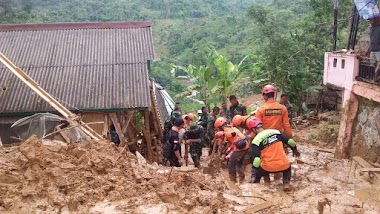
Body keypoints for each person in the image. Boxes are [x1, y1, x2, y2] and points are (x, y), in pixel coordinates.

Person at [247, 117, 300, 191]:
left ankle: (262, 183)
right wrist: (295, 150)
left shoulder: (256, 141)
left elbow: (256, 160)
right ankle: (286, 183)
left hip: (268, 168)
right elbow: (291, 142)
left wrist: (254, 174)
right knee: (288, 166)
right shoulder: (276, 132)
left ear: (253, 129)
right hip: (283, 166)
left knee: (260, 168)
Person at [214, 117, 250, 183]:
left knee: (231, 164)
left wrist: (223, 134)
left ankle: (233, 181)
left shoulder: (226, 130)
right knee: (239, 163)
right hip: (245, 145)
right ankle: (242, 179)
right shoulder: (232, 127)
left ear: (220, 126)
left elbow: (231, 135)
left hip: (240, 147)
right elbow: (229, 143)